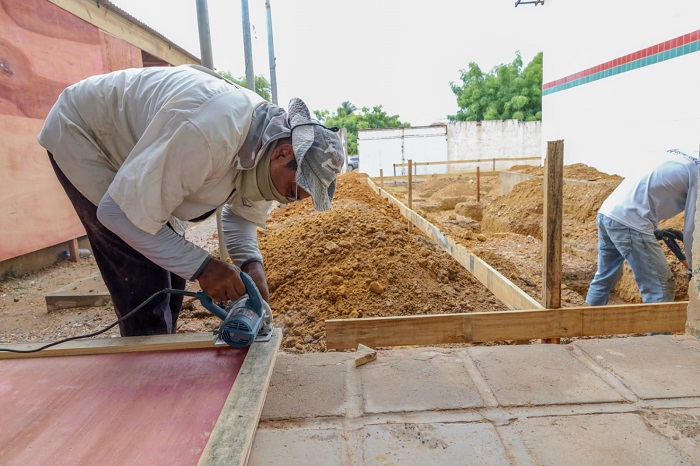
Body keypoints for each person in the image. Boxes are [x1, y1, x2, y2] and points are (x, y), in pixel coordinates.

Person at [38, 65, 344, 336]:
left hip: (156, 154)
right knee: (144, 278)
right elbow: (119, 213)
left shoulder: (268, 149)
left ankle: (159, 353)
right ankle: (146, 371)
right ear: (284, 153)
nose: (288, 200)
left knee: (173, 277)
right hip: (89, 136)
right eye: (292, 191)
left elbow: (241, 217)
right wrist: (205, 267)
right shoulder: (209, 133)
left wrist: (251, 265)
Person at [586, 149, 698, 306]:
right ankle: (657, 324)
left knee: (605, 277)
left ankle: (584, 321)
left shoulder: (683, 156)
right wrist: (694, 268)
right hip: (632, 221)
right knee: (660, 288)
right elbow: (693, 229)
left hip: (608, 213)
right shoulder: (697, 172)